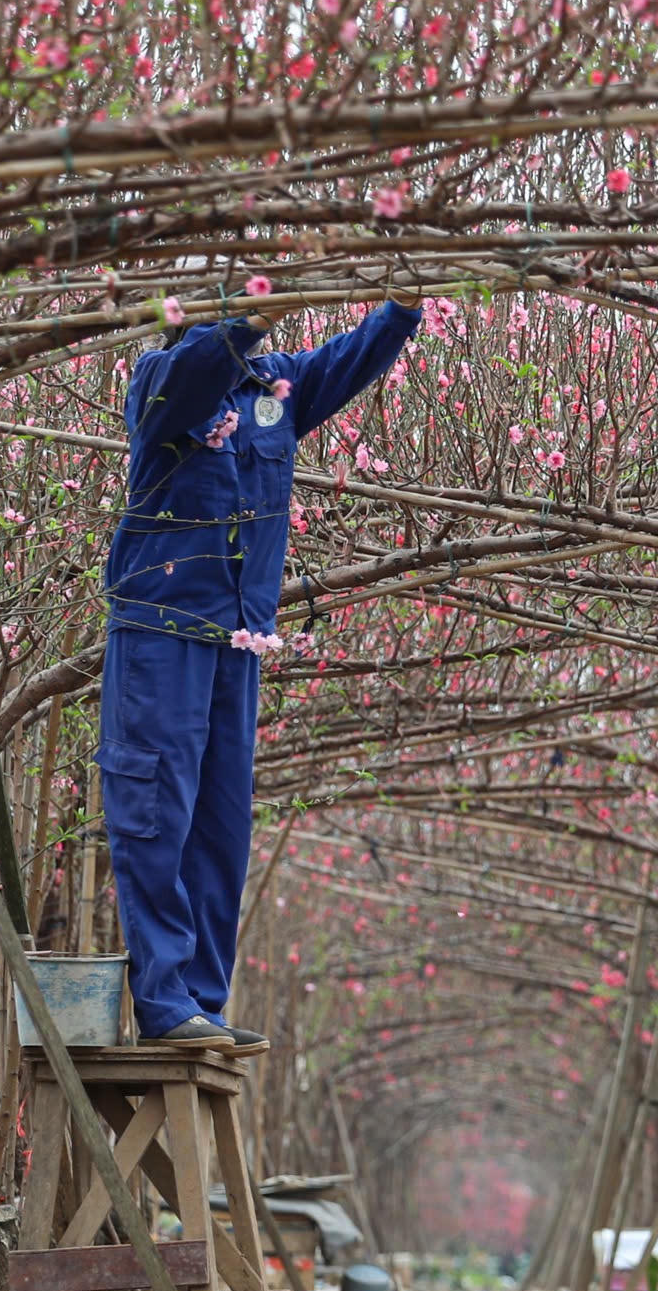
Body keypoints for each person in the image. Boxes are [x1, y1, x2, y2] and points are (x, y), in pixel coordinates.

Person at [99, 286, 422, 1052]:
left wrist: (400, 309)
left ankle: (201, 1000)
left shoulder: (277, 389)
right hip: (161, 632)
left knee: (221, 825)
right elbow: (199, 376)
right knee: (156, 812)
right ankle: (164, 1000)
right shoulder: (161, 376)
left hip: (236, 642)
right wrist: (246, 318)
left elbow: (346, 362)